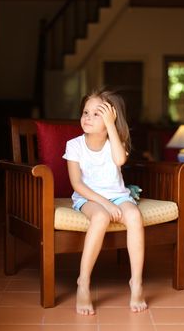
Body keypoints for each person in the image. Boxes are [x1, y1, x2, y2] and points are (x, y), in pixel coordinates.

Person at [62, 88, 147, 315]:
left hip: (118, 195)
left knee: (134, 215)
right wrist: (106, 205)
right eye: (85, 112)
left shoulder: (115, 142)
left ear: (111, 117)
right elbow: (77, 184)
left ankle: (136, 282)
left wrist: (111, 126)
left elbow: (119, 160)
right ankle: (83, 282)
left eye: (96, 114)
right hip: (87, 197)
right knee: (100, 217)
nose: (88, 118)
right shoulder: (74, 145)